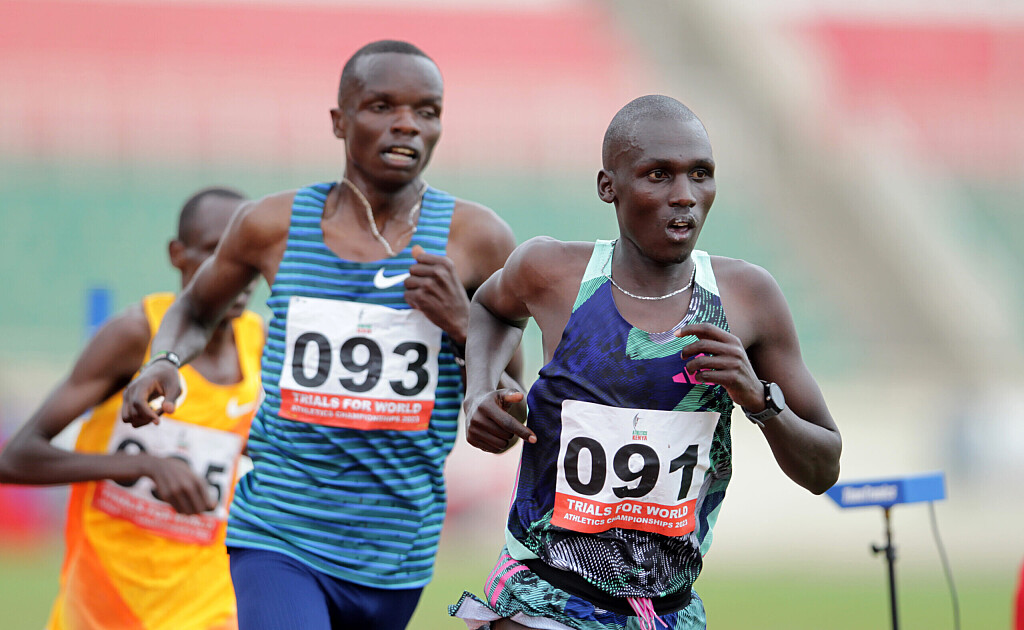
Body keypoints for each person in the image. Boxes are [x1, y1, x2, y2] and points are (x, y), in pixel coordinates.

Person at [119, 40, 520, 630]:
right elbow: (196, 309)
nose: (406, 125)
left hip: (396, 549)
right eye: (382, 106)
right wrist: (166, 360)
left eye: (426, 111)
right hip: (278, 530)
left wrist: (461, 324)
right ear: (339, 120)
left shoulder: (478, 239)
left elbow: (507, 410)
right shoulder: (272, 224)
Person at [450, 95, 843, 630]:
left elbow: (823, 469)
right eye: (658, 175)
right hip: (545, 597)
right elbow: (491, 309)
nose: (684, 195)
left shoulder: (748, 297)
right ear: (608, 186)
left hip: (667, 610)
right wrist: (479, 391)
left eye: (700, 174)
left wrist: (757, 399)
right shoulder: (552, 272)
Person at [0, 186, 264, 630]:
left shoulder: (261, 345)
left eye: (245, 253)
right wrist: (145, 466)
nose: (234, 271)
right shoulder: (135, 335)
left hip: (210, 606)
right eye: (213, 252)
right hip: (104, 605)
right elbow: (15, 459)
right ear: (177, 254)